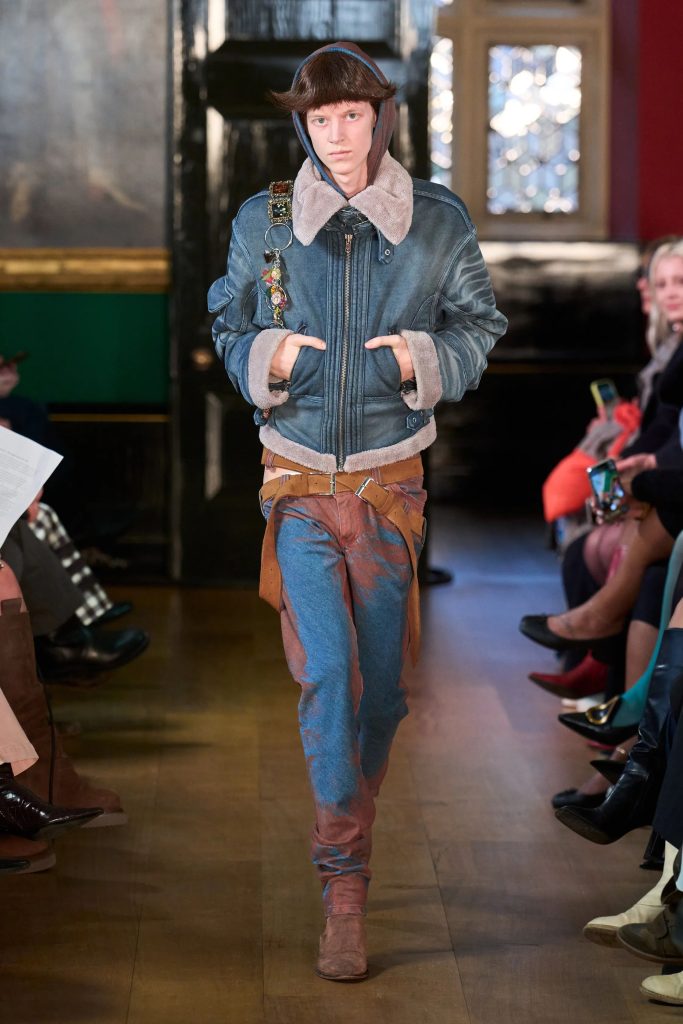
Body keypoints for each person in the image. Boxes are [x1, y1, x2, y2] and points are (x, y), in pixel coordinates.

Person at [208, 41, 507, 980]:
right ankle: (344, 883)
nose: (337, 134)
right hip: (296, 482)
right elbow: (227, 323)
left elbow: (479, 325)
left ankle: (348, 822)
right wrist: (270, 358)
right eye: (319, 118)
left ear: (381, 117)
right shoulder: (265, 218)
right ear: (302, 124)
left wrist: (421, 357)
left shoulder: (437, 219)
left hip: (389, 489)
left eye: (352, 115)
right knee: (328, 677)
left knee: (382, 693)